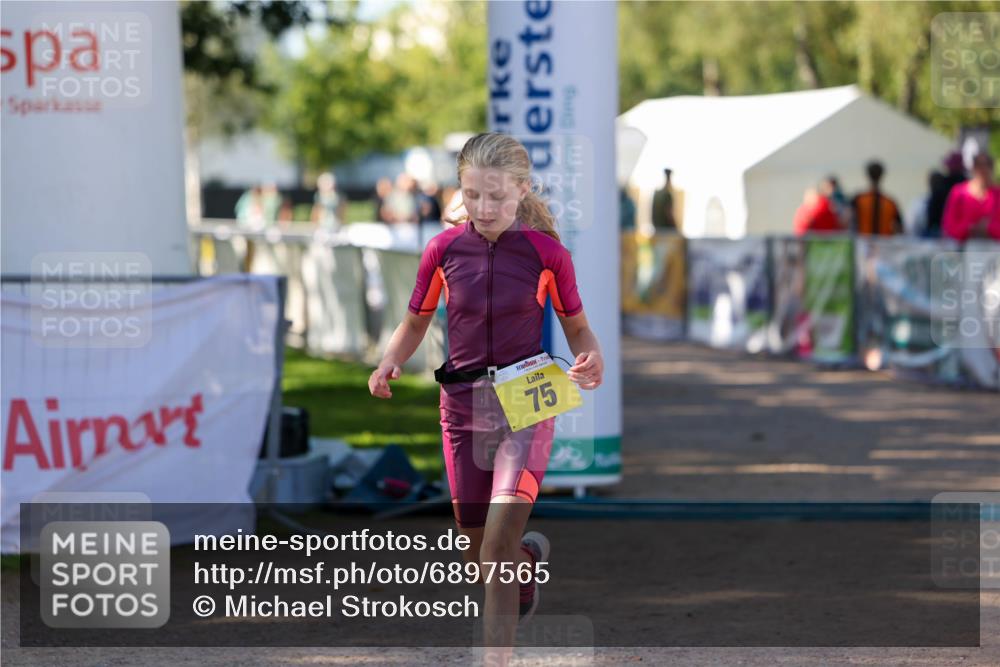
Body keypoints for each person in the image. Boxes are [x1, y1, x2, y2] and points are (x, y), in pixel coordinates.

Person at [368, 132, 603, 664]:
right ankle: (525, 561)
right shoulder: (443, 250)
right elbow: (413, 322)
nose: (483, 207)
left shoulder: (548, 255)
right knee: (479, 552)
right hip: (462, 408)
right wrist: (389, 360)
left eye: (496, 197)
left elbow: (579, 331)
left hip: (527, 405)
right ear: (460, 190)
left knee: (494, 548)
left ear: (522, 190)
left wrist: (594, 358)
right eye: (472, 195)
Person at [942, 151, 1000, 242]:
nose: (983, 169)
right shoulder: (959, 193)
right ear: (973, 168)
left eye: (987, 165)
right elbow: (949, 227)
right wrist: (970, 228)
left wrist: (989, 228)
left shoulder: (997, 195)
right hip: (963, 250)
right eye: (979, 165)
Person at [851, 160, 902, 236]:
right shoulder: (890, 202)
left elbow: (847, 221)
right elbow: (899, 228)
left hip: (863, 243)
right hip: (885, 244)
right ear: (882, 176)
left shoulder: (858, 199)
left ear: (867, 175)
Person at [926, 151, 966, 237]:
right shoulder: (969, 185)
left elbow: (932, 214)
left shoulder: (943, 185)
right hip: (961, 231)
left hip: (942, 230)